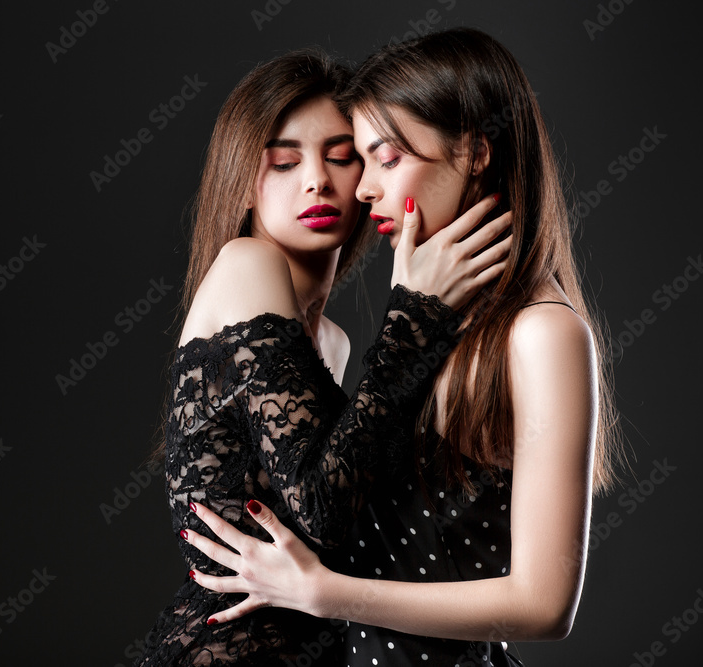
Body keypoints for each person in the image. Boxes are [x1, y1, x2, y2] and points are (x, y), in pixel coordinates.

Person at [182, 28, 623, 666]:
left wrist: (324, 594)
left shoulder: (542, 331)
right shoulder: (440, 325)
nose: (360, 189)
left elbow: (546, 604)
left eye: (385, 158)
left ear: (474, 152)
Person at [135, 46, 511, 666]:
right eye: (284, 162)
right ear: (242, 180)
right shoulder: (246, 265)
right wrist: (416, 315)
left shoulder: (332, 340)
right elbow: (323, 511)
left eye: (343, 157)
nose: (317, 180)